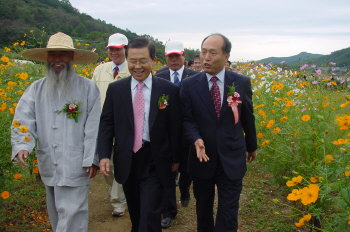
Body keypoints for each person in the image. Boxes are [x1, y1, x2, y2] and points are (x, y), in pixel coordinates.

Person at [11, 32, 100, 232]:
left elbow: (94, 127)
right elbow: (23, 119)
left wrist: (91, 158)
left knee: (72, 215)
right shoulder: (36, 89)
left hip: (76, 163)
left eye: (63, 54)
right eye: (53, 54)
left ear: (72, 58)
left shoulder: (88, 88)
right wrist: (23, 145)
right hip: (49, 161)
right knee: (56, 213)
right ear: (47, 58)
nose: (58, 59)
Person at [97, 37, 182, 232]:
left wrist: (177, 159)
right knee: (136, 214)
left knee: (150, 215)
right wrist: (103, 154)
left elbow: (175, 126)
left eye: (143, 60)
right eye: (132, 61)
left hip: (155, 158)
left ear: (153, 59)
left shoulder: (168, 90)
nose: (137, 66)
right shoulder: (116, 89)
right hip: (127, 157)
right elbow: (107, 123)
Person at [180, 33, 257, 232]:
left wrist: (252, 146)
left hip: (232, 154)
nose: (206, 58)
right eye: (203, 52)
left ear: (226, 55)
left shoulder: (241, 82)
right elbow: (187, 119)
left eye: (212, 53)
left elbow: (248, 116)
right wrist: (195, 138)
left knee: (229, 210)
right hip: (202, 157)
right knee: (203, 208)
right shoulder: (189, 85)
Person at [155, 40, 197, 229]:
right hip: (168, 132)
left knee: (186, 169)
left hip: (188, 131)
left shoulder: (194, 76)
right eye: (170, 56)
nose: (173, 59)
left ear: (183, 56)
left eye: (177, 56)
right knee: (167, 173)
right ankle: (168, 211)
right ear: (166, 58)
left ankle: (185, 190)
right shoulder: (160, 75)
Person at [92, 32, 129, 217]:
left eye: (118, 49)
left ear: (125, 49)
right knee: (105, 163)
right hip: (103, 125)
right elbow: (92, 96)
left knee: (119, 163)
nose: (114, 52)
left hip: (124, 126)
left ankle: (118, 202)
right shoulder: (100, 70)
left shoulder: (133, 68)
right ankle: (118, 195)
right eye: (111, 49)